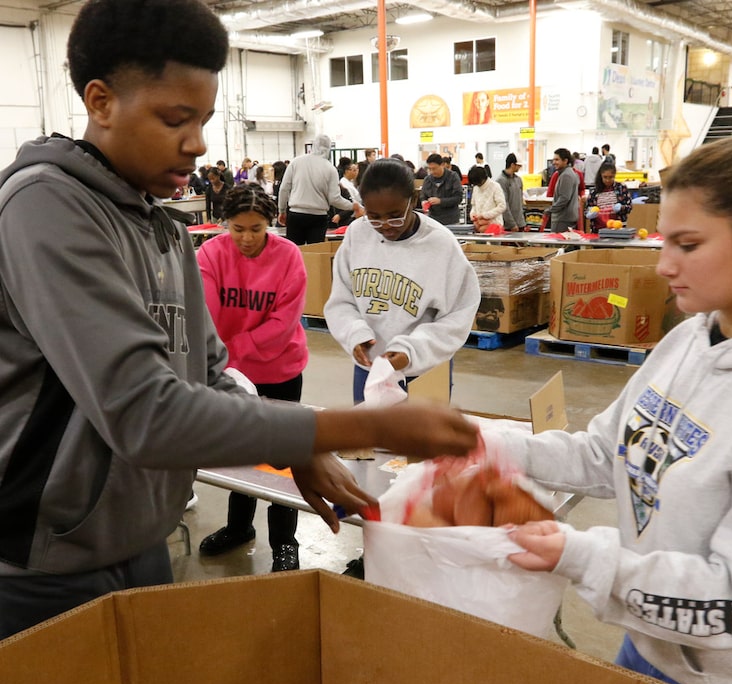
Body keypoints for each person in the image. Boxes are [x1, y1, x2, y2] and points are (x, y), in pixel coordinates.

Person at [0, 0, 478, 641]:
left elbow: (210, 370)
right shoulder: (45, 208)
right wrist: (351, 424)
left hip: (137, 536)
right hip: (42, 558)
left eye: (203, 119)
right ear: (101, 101)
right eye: (176, 119)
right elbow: (145, 411)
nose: (197, 143)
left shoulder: (162, 229)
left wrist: (298, 446)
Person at [501, 137, 732, 684]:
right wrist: (488, 445)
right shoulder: (691, 338)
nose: (662, 266)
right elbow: (609, 452)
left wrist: (580, 556)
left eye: (688, 245)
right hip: (651, 644)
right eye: (664, 243)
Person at [196, 185, 307, 571]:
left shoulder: (289, 256)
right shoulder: (211, 253)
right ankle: (239, 526)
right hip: (231, 374)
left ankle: (284, 542)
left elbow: (283, 323)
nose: (246, 238)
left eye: (256, 229)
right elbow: (203, 313)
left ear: (270, 224)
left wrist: (231, 348)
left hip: (280, 369)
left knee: (281, 460)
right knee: (239, 454)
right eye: (237, 228)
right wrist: (218, 358)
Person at [324, 158, 480, 404]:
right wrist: (353, 334)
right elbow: (342, 301)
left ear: (414, 201)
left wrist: (412, 351)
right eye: (374, 217)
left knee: (421, 442)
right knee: (370, 439)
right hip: (369, 369)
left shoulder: (440, 245)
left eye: (395, 216)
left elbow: (459, 315)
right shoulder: (358, 234)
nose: (385, 226)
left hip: (424, 371)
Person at [277, 135, 362, 245]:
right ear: (329, 149)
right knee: (316, 254)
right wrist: (352, 205)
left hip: (296, 215)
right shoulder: (330, 169)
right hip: (318, 218)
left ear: (313, 146)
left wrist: (282, 211)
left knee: (296, 253)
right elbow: (334, 199)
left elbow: (284, 189)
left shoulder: (296, 162)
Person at [586, 163, 632, 233]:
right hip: (598, 230)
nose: (607, 180)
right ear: (601, 176)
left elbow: (629, 207)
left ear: (614, 175)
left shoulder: (621, 188)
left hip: (617, 230)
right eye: (605, 177)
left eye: (610, 177)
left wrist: (621, 207)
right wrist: (589, 213)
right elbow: (587, 208)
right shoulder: (594, 191)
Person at [420, 153, 463, 226]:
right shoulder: (427, 180)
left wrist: (440, 201)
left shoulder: (453, 177)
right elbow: (423, 196)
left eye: (434, 168)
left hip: (451, 220)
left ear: (442, 165)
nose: (432, 171)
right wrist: (424, 202)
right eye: (429, 169)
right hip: (433, 220)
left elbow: (458, 198)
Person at [547, 148, 580, 232]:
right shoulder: (567, 173)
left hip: (562, 219)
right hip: (566, 218)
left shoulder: (566, 175)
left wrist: (550, 210)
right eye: (553, 159)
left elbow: (564, 198)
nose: (554, 162)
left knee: (558, 244)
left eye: (557, 159)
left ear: (565, 161)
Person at [468, 165, 506, 233]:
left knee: (492, 243)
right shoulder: (476, 188)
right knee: (478, 242)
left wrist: (484, 215)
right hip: (479, 225)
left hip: (494, 225)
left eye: (478, 183)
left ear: (483, 179)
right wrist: (473, 214)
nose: (477, 185)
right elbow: (473, 205)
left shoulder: (495, 186)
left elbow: (502, 206)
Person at [495, 152, 525, 233]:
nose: (520, 168)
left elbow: (520, 201)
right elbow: (504, 205)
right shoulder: (501, 181)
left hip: (520, 222)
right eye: (518, 166)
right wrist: (512, 224)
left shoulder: (518, 180)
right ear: (512, 165)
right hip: (508, 226)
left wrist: (522, 221)